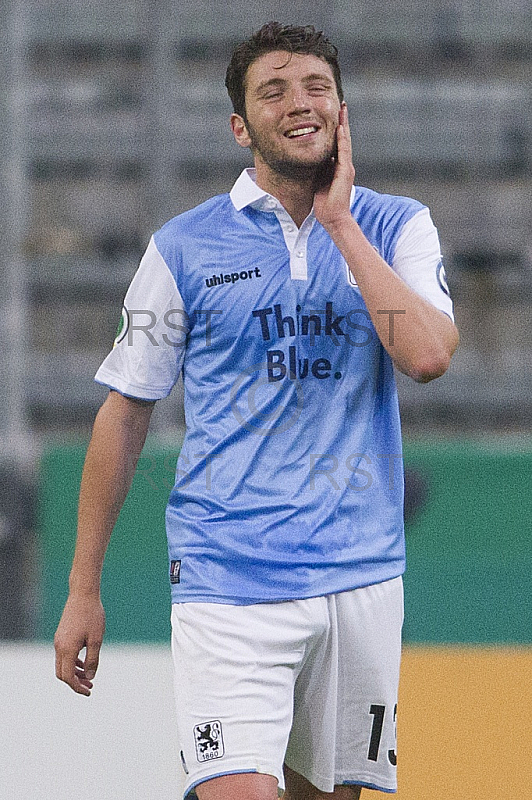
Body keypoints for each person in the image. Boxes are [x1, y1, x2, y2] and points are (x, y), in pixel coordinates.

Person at [54, 21, 458, 800]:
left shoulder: (397, 224)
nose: (298, 103)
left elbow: (429, 356)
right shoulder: (182, 248)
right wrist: (83, 587)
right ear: (241, 126)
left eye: (316, 87)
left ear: (343, 111)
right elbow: (125, 412)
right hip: (227, 575)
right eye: (273, 90)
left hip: (360, 575)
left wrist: (340, 221)